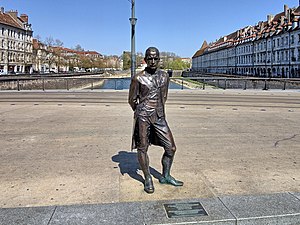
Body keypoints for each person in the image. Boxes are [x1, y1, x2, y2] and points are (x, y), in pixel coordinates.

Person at [128, 47, 183, 194]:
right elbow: (132, 100)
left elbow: (164, 97)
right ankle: (147, 178)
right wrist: (141, 112)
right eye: (149, 58)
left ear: (159, 59)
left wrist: (158, 110)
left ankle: (165, 176)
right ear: (145, 60)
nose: (152, 61)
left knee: (171, 148)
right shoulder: (138, 78)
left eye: (155, 58)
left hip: (159, 116)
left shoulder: (165, 76)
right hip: (143, 116)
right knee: (142, 148)